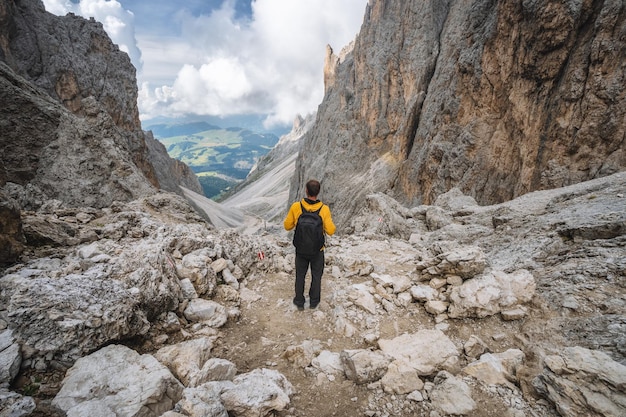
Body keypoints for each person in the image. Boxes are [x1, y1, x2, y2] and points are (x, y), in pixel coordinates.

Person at [284, 179, 336, 310]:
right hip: (317, 250)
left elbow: (287, 226)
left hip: (301, 250)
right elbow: (331, 230)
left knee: (300, 275)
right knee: (316, 276)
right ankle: (314, 302)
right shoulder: (324, 209)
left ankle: (299, 301)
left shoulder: (296, 207)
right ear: (318, 192)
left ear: (306, 191)